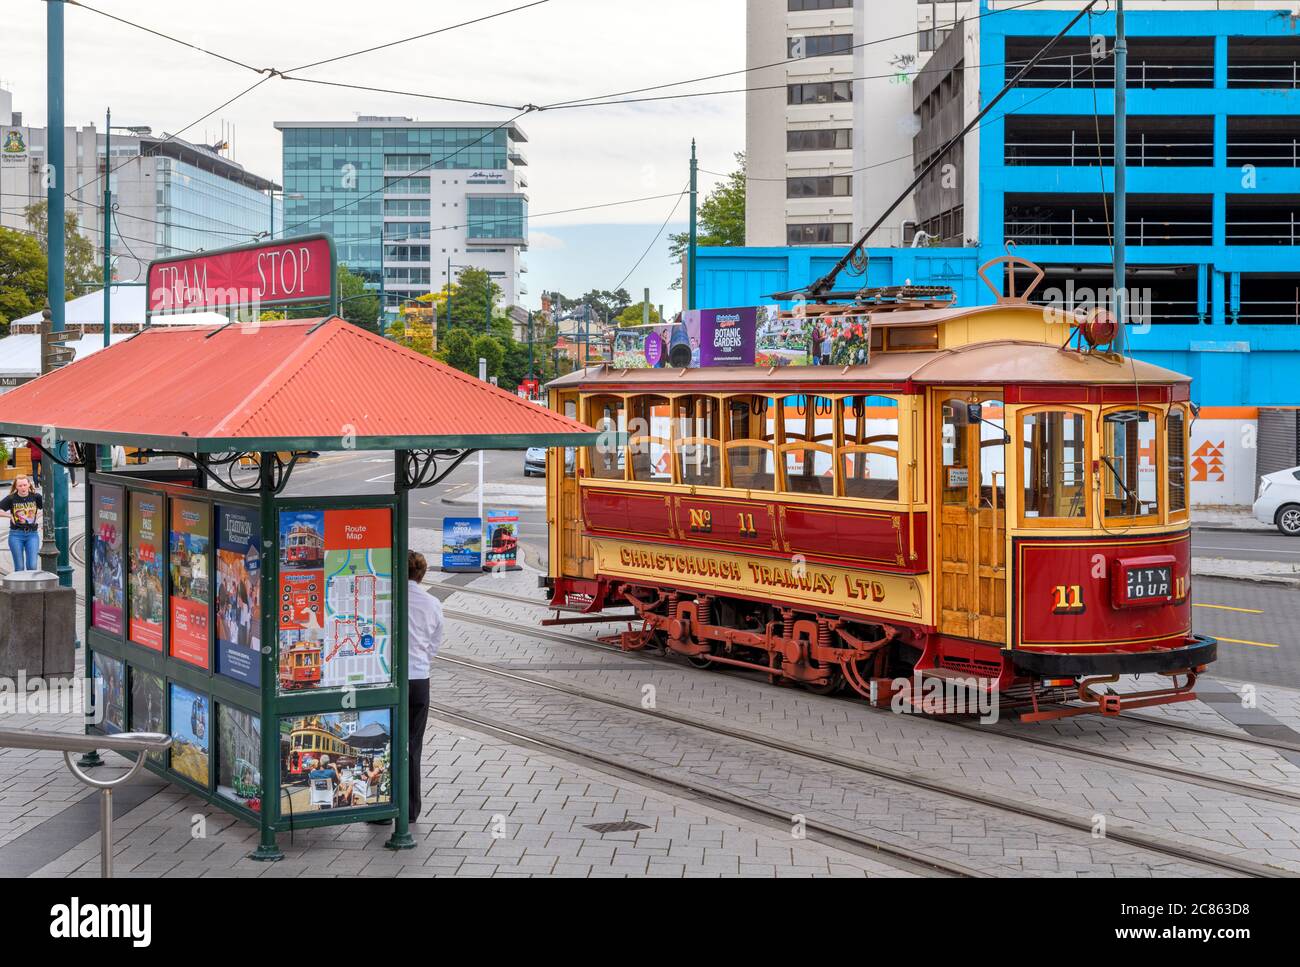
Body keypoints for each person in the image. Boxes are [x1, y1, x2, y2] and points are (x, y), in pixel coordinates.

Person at [405, 550, 443, 821]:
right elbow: (434, 643)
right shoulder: (432, 603)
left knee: (387, 744)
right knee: (413, 745)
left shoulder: (390, 599)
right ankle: (410, 809)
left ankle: (384, 807)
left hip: (392, 681)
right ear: (421, 574)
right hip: (419, 679)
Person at [0, 476, 43, 571]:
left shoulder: (36, 496)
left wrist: (38, 515)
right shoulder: (11, 498)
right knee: (19, 567)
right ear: (16, 487)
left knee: (32, 566)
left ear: (29, 485)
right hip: (16, 535)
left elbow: (49, 506)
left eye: (25, 485)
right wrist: (10, 516)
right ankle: (20, 585)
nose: (23, 487)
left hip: (32, 534)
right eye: (20, 485)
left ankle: (30, 585)